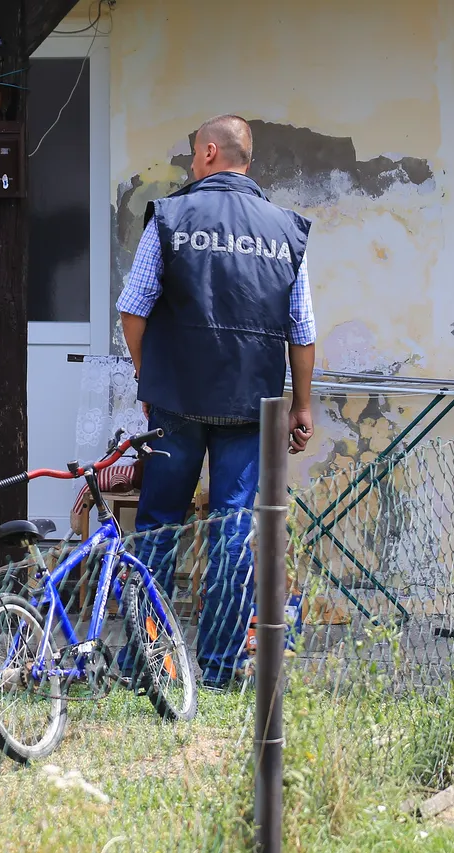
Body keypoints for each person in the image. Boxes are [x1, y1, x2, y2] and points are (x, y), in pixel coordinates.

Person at [117, 115, 316, 690]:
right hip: (251, 405)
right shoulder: (286, 229)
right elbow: (301, 328)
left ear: (208, 152)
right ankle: (222, 665)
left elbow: (133, 307)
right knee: (233, 527)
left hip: (176, 401)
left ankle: (146, 661)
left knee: (158, 525)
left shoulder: (170, 216)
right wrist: (301, 405)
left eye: (192, 153)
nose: (190, 162)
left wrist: (149, 376)